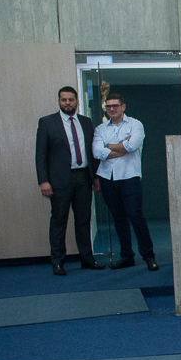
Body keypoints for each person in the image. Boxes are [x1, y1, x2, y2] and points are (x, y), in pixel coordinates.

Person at [35, 86, 105, 275]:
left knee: (83, 221)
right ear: (58, 101)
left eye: (71, 100)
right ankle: (57, 262)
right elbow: (40, 155)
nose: (67, 103)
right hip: (59, 181)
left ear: (77, 101)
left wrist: (96, 176)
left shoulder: (86, 122)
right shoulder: (47, 123)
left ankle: (87, 259)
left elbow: (92, 153)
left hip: (83, 178)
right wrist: (43, 181)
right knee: (59, 222)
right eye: (64, 100)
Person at [91, 93, 158, 271]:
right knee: (119, 219)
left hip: (129, 177)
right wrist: (120, 146)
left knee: (136, 217)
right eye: (108, 106)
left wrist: (109, 146)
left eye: (115, 105)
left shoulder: (136, 124)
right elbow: (97, 152)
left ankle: (149, 256)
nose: (112, 109)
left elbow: (132, 146)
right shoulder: (100, 129)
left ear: (123, 107)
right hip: (107, 178)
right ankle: (127, 256)